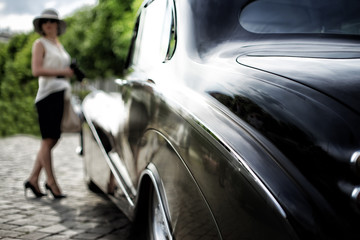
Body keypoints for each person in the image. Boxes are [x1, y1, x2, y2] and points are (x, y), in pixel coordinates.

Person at [24, 9, 74, 199]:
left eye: (52, 21)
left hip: (61, 93)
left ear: (57, 25)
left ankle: (33, 179)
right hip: (47, 95)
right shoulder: (40, 43)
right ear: (42, 25)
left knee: (52, 138)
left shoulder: (58, 44)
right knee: (48, 139)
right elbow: (36, 70)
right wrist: (62, 72)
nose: (48, 24)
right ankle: (51, 182)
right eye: (45, 22)